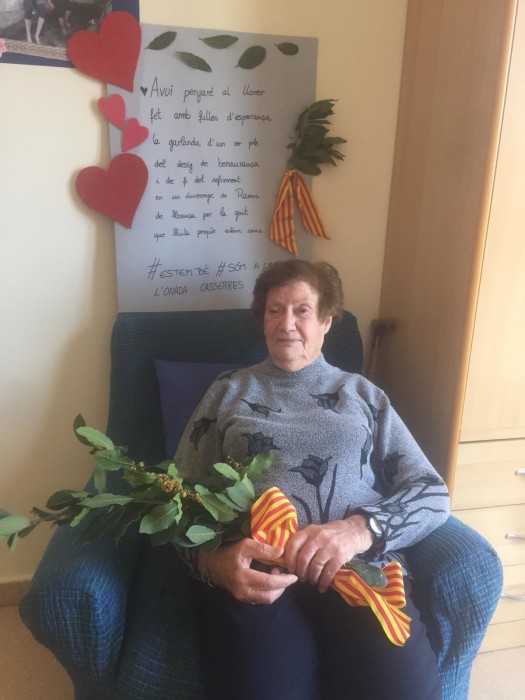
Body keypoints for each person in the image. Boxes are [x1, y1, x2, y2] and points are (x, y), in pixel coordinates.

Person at [173, 260, 449, 700]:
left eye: (301, 310)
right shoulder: (228, 391)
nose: (286, 324)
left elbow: (431, 492)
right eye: (274, 310)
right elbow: (180, 496)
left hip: (355, 567)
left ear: (325, 321)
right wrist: (213, 563)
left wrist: (357, 530)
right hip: (262, 576)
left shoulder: (363, 395)